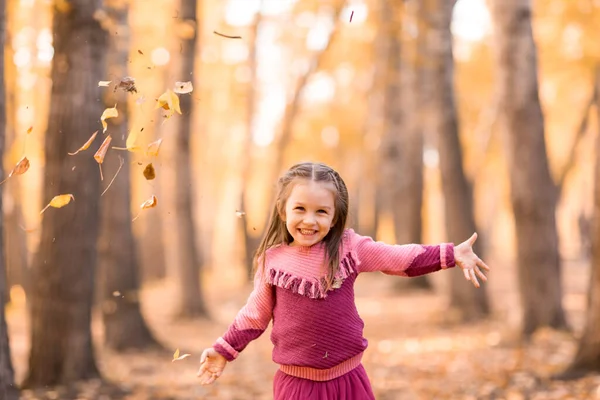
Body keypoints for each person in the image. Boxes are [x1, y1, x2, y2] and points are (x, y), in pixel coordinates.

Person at [197, 162, 490, 399]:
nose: (310, 220)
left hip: (349, 381)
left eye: (321, 211)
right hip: (297, 386)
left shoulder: (350, 248)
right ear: (282, 210)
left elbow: (399, 259)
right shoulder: (272, 261)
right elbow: (254, 315)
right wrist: (224, 350)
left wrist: (451, 253)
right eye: (300, 209)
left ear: (335, 217)